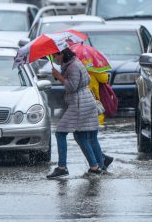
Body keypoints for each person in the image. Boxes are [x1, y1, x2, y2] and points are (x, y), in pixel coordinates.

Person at [46, 48, 112, 179]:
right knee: (81, 135)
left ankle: (62, 167)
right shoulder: (74, 63)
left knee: (60, 133)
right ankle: (97, 165)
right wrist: (61, 75)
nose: (55, 59)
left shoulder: (73, 67)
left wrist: (59, 76)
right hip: (84, 101)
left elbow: (72, 87)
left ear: (62, 54)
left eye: (56, 56)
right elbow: (85, 79)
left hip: (79, 104)